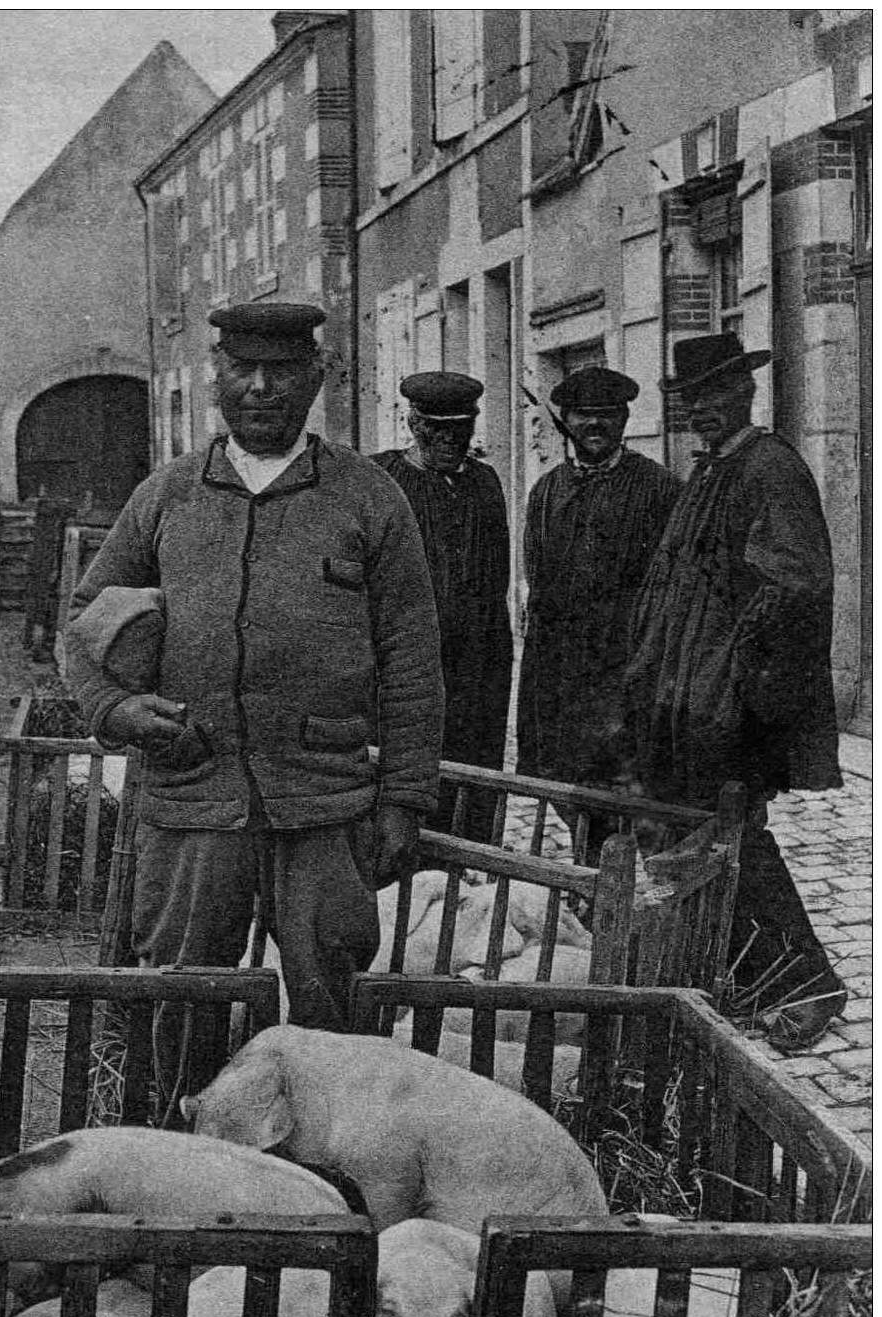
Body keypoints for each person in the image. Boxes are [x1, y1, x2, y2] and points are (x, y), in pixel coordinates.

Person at [65, 302, 444, 1105]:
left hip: (325, 803)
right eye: (244, 369)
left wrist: (404, 799)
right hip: (192, 800)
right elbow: (85, 626)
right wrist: (117, 713)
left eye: (282, 370)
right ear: (218, 379)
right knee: (182, 996)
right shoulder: (167, 495)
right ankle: (175, 1162)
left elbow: (413, 660)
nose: (262, 388)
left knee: (328, 1005)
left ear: (317, 377)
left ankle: (320, 1189)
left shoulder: (368, 498)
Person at [627, 332, 847, 1052]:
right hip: (688, 701)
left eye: (717, 394)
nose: (704, 410)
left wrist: (744, 687)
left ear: (745, 392)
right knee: (710, 837)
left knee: (738, 840)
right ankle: (752, 978)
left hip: (732, 708)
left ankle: (810, 985)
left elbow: (799, 583)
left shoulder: (769, 467)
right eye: (694, 399)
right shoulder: (714, 469)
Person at [515, 366, 681, 864]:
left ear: (625, 419)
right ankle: (594, 887)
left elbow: (671, 595)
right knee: (574, 793)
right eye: (584, 415)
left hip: (628, 679)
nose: (595, 425)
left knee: (637, 803)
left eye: (606, 415)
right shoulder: (547, 493)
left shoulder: (658, 489)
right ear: (566, 421)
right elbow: (539, 592)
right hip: (564, 683)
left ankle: (642, 904)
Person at [374, 372, 513, 844]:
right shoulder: (382, 480)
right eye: (438, 431)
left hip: (474, 667)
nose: (451, 442)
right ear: (414, 424)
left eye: (462, 431)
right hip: (403, 664)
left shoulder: (484, 484)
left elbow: (497, 583)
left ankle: (468, 869)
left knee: (471, 771)